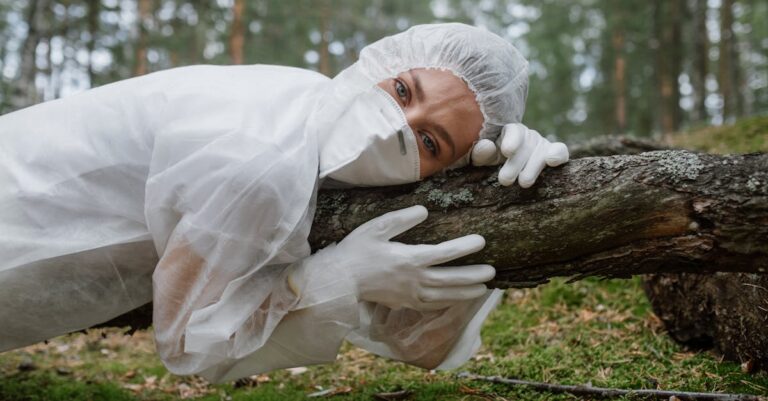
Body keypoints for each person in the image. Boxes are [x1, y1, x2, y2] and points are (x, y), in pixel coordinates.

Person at [0, 23, 568, 382]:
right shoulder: (261, 158)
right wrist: (336, 278)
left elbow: (420, 342)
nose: (396, 124)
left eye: (428, 141)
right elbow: (191, 348)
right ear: (384, 62)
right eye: (401, 90)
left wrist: (509, 189)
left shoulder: (307, 108)